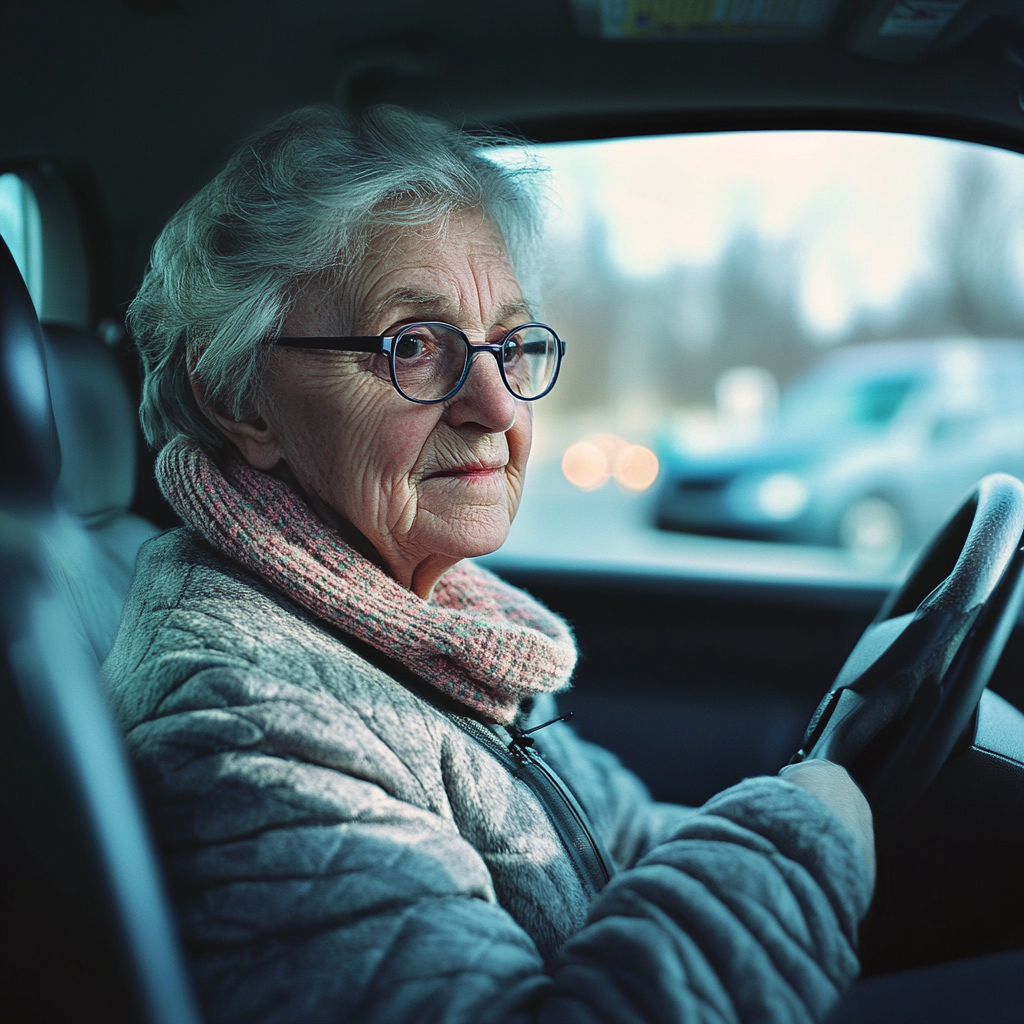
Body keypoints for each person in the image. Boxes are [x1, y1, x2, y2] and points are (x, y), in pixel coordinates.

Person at [103, 104, 875, 1024]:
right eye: (414, 347)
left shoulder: (435, 625)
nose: (497, 405)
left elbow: (617, 841)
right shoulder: (248, 718)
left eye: (509, 345)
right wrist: (805, 837)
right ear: (239, 400)